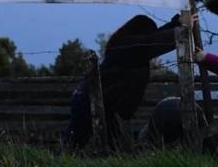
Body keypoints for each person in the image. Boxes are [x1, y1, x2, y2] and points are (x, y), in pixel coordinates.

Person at [66, 13, 194, 149]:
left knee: (108, 143)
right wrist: (182, 31)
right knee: (77, 141)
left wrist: (177, 23)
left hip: (99, 101)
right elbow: (152, 41)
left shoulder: (126, 43)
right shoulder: (129, 45)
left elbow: (153, 38)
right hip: (90, 99)